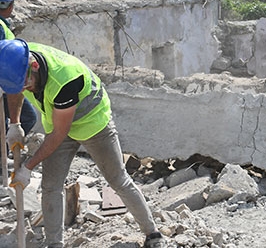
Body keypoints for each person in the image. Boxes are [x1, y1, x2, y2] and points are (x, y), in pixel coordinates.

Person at [0, 39, 166, 248]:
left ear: (34, 66)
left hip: (92, 123)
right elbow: (16, 90)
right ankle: (55, 244)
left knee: (118, 179)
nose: (26, 88)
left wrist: (28, 167)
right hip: (58, 121)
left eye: (26, 84)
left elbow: (60, 134)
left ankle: (153, 234)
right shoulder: (16, 60)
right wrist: (14, 124)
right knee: (51, 186)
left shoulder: (66, 79)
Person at [0, 0, 38, 140]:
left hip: (5, 80)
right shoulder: (0, 27)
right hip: (5, 80)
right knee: (28, 117)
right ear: (7, 4)